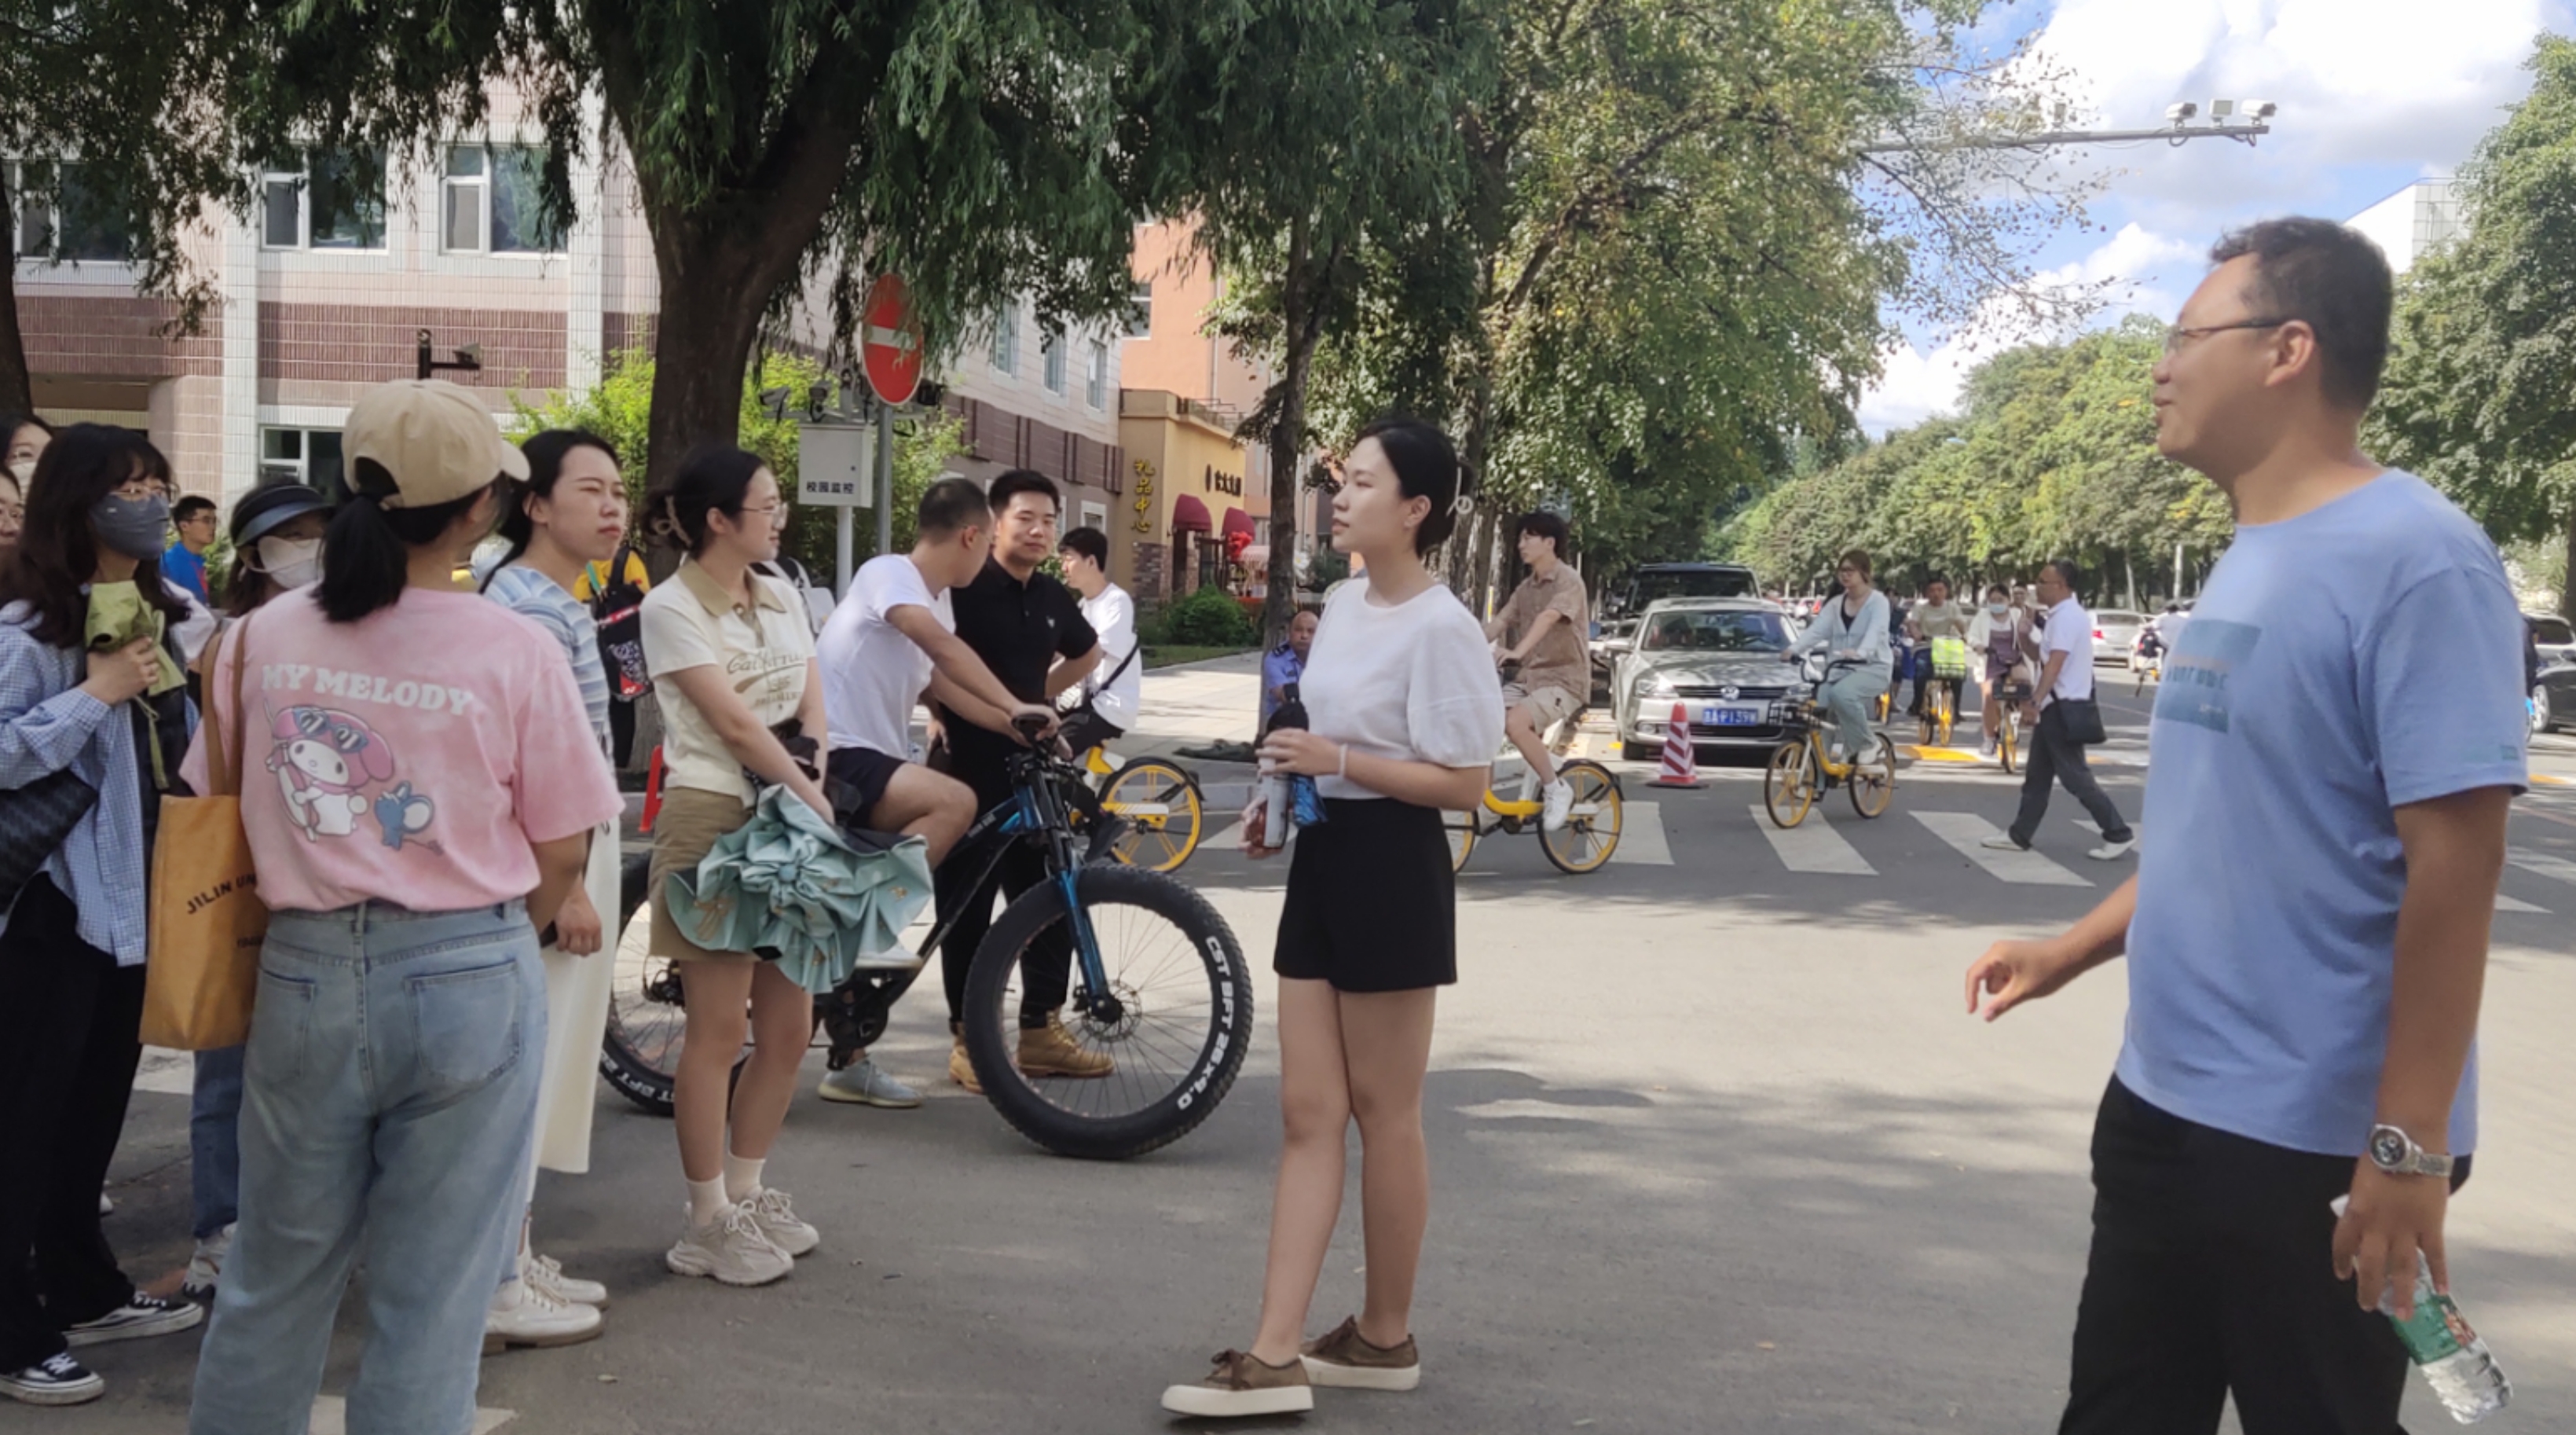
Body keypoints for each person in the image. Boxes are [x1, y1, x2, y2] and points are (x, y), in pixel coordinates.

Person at [1963, 217, 2527, 1435]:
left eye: (2183, 336)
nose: (2158, 366)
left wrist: (2407, 1145)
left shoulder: (2417, 559)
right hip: (2161, 1103)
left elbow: (2455, 864)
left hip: (2311, 1146)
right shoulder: (2252, 552)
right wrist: (2069, 949)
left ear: (2285, 349)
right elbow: (2228, 834)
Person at [181, 381, 618, 1435]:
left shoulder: (254, 638)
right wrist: (491, 932)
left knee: (271, 1276)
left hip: (301, 968)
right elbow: (564, 844)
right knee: (434, 1296)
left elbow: (213, 795)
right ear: (480, 508)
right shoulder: (513, 647)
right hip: (470, 967)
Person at [1161, 417, 1501, 1418]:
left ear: (1416, 509)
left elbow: (1467, 782)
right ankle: (1277, 1350)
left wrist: (1339, 763)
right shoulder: (1346, 603)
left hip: (1394, 864)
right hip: (1326, 854)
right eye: (1340, 480)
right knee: (1307, 1114)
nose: (1340, 497)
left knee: (1386, 1113)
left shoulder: (1443, 627)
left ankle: (1385, 1333)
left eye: (1361, 483)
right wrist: (1282, 794)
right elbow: (1316, 728)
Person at [0, 427, 205, 1408]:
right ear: (76, 502)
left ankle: (82, 1284)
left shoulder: (164, 615)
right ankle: (12, 1326)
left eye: (159, 483)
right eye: (129, 486)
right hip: (52, 906)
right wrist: (93, 694)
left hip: (136, 902)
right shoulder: (30, 630)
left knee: (89, 1114)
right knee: (23, 1121)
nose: (151, 502)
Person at [637, 443, 831, 1286]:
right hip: (714, 818)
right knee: (718, 1031)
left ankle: (747, 1191)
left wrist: (813, 774)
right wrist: (811, 795)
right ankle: (705, 1217)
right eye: (766, 504)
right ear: (718, 519)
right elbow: (735, 725)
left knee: (790, 1026)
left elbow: (811, 697)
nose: (779, 517)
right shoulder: (671, 606)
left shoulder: (781, 588)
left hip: (789, 814)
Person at [810, 477, 1049, 1109]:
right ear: (971, 535)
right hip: (834, 755)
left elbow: (941, 686)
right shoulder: (890, 574)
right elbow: (940, 647)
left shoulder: (936, 603)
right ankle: (866, 930)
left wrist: (1016, 726)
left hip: (873, 763)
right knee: (953, 801)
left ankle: (847, 1057)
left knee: (938, 820)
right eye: (988, 540)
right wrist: (1014, 700)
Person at [475, 429, 632, 1348]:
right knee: (527, 1069)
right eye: (589, 490)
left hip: (577, 843)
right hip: (555, 858)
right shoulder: (529, 608)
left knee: (550, 1061)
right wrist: (564, 887)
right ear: (533, 504)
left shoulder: (552, 598)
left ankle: (516, 1250)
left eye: (618, 491)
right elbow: (530, 767)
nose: (611, 507)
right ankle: (498, 1272)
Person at [179, 477, 335, 1308]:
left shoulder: (355, 628)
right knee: (229, 1065)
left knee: (317, 1076)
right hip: (247, 872)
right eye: (292, 535)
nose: (309, 549)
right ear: (251, 554)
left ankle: (301, 1232)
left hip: (328, 878)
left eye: (319, 531)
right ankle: (222, 1231)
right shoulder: (235, 643)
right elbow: (207, 770)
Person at [930, 469, 1101, 1095]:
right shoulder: (963, 587)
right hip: (965, 768)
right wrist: (944, 710)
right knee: (966, 910)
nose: (1038, 531)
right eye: (1025, 518)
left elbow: (1088, 653)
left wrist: (1037, 700)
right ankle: (968, 1040)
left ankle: (1040, 1032)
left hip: (1032, 773)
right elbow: (928, 663)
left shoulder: (1052, 595)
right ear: (994, 523)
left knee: (1050, 897)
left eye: (1048, 521)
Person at [1981, 559, 2134, 860]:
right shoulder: (2060, 616)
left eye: (2042, 581)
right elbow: (2041, 656)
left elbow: (2054, 665)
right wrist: (2024, 635)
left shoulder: (2067, 618)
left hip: (2062, 706)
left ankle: (2118, 832)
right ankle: (2019, 834)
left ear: (2061, 585)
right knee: (2038, 777)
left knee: (2075, 777)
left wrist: (2034, 701)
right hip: (2057, 704)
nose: (2036, 587)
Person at [1483, 511, 1588, 830]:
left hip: (1563, 681)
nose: (1521, 545)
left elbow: (1549, 617)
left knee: (1515, 723)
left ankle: (1556, 788)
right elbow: (1500, 622)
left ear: (1549, 543)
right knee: (1483, 721)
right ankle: (1484, 805)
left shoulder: (1569, 581)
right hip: (1530, 680)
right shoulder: (1525, 589)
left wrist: (1517, 651)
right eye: (1520, 538)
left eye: (1528, 538)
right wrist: (1462, 644)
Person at [1783, 549, 1891, 766]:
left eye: (1850, 570)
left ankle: (1868, 743)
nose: (1845, 575)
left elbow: (1876, 631)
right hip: (1838, 670)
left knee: (1842, 694)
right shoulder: (1835, 604)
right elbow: (1816, 631)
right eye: (1841, 570)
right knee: (1819, 713)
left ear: (1864, 572)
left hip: (1873, 668)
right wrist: (1793, 650)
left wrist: (1861, 652)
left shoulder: (1878, 602)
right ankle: (1818, 776)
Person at [1056, 524, 1139, 756]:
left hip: (1110, 705)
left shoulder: (1117, 601)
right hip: (1085, 701)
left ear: (1091, 562)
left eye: (1069, 559)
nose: (1063, 567)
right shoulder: (1083, 605)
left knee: (1055, 752)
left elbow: (1093, 655)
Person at [576, 540, 651, 769]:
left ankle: (597, 763)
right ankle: (618, 765)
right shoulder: (626, 558)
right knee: (621, 701)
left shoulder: (569, 553)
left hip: (581, 636)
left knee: (586, 700)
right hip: (619, 639)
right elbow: (646, 597)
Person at [1964, 583, 2032, 758]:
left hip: (2014, 660)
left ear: (2008, 600)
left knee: (2024, 682)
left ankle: (2023, 714)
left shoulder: (2017, 615)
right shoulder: (1982, 616)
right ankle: (1989, 739)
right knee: (1989, 695)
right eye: (1992, 600)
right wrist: (1977, 645)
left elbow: (2030, 633)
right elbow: (1971, 635)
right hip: (1991, 662)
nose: (1996, 603)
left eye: (2000, 600)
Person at [1904, 576, 1970, 721]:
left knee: (1957, 674)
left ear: (1946, 591)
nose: (1936, 594)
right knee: (1922, 673)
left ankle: (1955, 710)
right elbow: (1913, 623)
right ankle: (1918, 703)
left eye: (1940, 590)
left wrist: (1965, 635)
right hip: (1925, 645)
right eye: (1932, 590)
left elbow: (1960, 623)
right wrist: (1916, 633)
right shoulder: (1920, 608)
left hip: (1947, 646)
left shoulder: (1952, 607)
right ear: (1927, 593)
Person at [1262, 608, 1318, 728]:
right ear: (1289, 632)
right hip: (1284, 725)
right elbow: (1286, 696)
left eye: (1311, 631)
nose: (1304, 636)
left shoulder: (1327, 658)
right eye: (1298, 630)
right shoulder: (1275, 659)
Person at [165, 494, 218, 604]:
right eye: (206, 521)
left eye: (214, 521)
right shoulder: (169, 564)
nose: (213, 527)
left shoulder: (198, 560)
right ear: (184, 526)